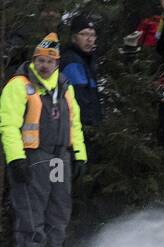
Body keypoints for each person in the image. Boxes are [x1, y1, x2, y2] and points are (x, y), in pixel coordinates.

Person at [0, 33, 87, 247]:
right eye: (40, 60)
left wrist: (79, 154)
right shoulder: (18, 85)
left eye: (49, 61)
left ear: (57, 63)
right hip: (33, 156)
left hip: (61, 157)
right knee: (31, 211)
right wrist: (16, 158)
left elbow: (75, 123)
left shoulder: (65, 87)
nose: (44, 65)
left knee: (59, 211)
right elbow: (8, 125)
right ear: (34, 60)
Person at [60, 15, 102, 159]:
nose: (89, 39)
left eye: (92, 35)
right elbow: (79, 99)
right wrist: (90, 127)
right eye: (84, 34)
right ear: (74, 38)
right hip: (80, 132)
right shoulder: (72, 60)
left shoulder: (88, 61)